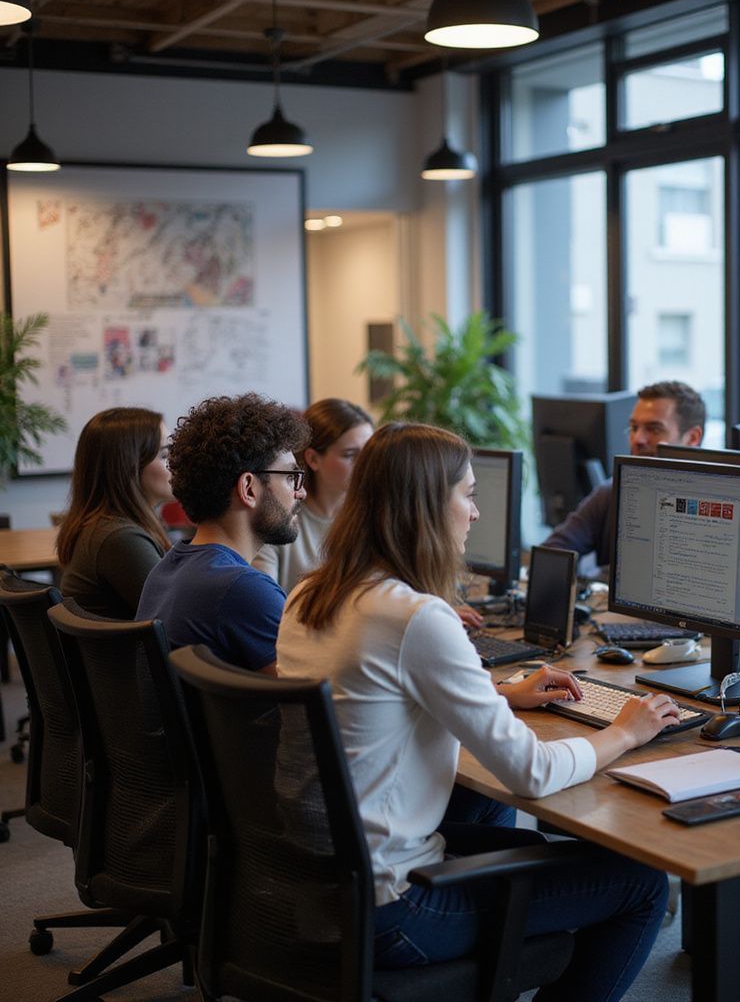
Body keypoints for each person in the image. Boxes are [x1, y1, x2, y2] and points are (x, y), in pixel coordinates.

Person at [276, 422, 677, 1000]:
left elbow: (378, 696)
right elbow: (531, 774)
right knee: (640, 883)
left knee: (532, 848)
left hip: (322, 887)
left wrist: (500, 696)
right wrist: (624, 732)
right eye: (467, 495)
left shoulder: (309, 594)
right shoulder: (414, 617)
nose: (475, 513)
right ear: (426, 508)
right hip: (396, 909)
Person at [137, 393, 308, 675]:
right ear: (249, 489)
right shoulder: (245, 590)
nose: (301, 491)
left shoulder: (166, 570)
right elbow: (309, 707)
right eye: (291, 477)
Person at [542, 380, 706, 571]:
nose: (638, 439)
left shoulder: (714, 507)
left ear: (692, 437)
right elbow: (551, 555)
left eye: (654, 429)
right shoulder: (610, 493)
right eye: (634, 428)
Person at [57, 407, 173, 619]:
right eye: (164, 454)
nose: (175, 463)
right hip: (139, 653)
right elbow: (179, 618)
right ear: (129, 466)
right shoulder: (120, 539)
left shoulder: (107, 527)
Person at [254, 398, 373, 594]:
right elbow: (262, 602)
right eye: (351, 455)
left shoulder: (375, 516)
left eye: (369, 454)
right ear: (313, 459)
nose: (365, 464)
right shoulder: (280, 519)